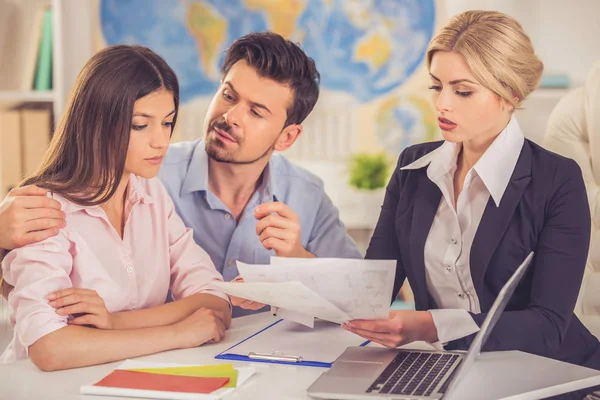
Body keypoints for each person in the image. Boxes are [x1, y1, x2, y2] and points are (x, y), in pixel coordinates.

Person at [0, 31, 362, 316]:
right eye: (228, 95)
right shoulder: (143, 174)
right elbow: (31, 297)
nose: (231, 116)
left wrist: (297, 259)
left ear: (287, 137)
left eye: (256, 112)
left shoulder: (307, 194)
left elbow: (361, 299)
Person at [340, 10, 600, 399]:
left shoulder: (557, 180)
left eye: (463, 91)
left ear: (511, 94)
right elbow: (373, 287)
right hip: (446, 371)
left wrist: (429, 326)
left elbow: (548, 326)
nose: (442, 104)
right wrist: (290, 280)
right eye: (436, 86)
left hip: (549, 375)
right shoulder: (413, 168)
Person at [0, 45, 231, 371]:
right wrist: (179, 332)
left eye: (166, 123)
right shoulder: (43, 209)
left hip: (127, 378)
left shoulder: (151, 193)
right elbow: (51, 348)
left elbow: (214, 300)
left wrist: (114, 322)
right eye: (140, 125)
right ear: (97, 122)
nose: (161, 141)